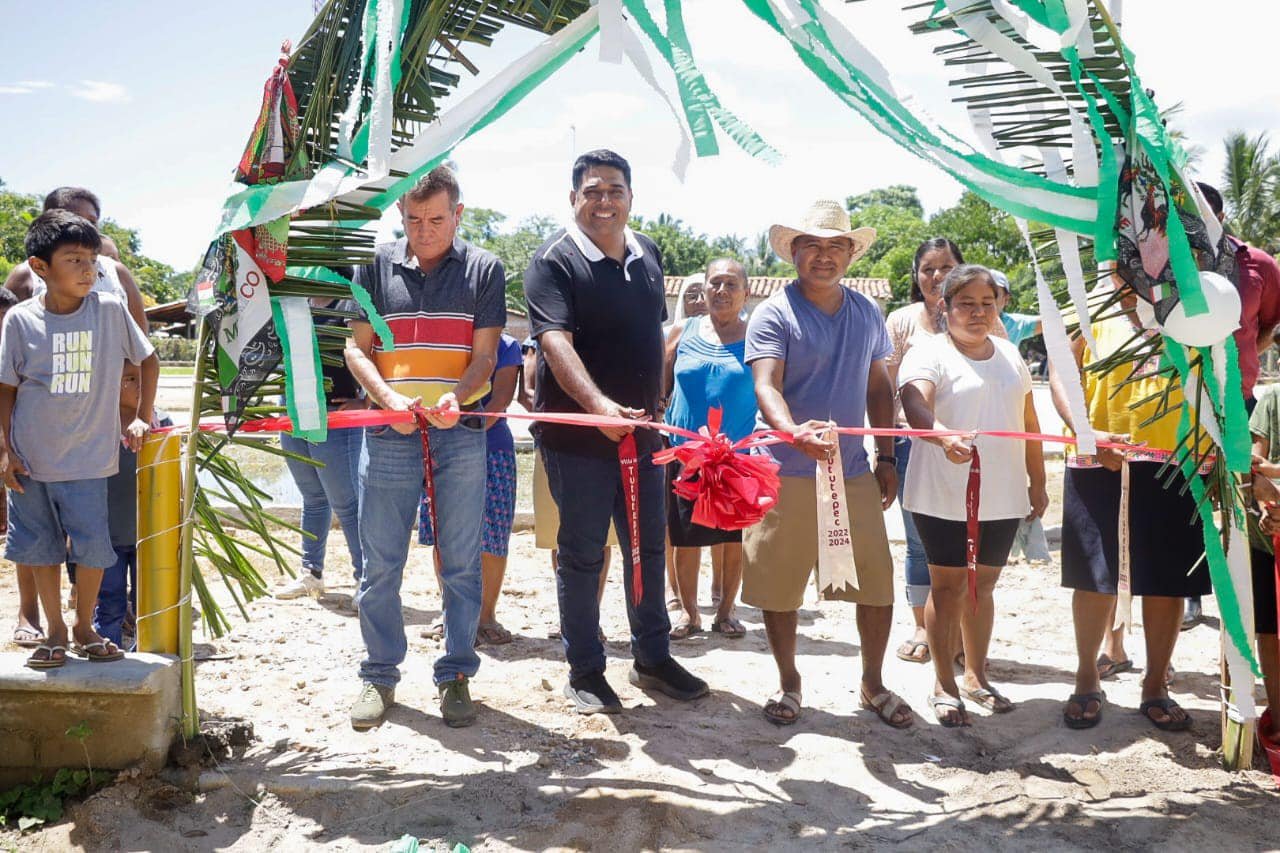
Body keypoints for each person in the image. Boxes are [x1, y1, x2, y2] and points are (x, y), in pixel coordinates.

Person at [524, 149, 708, 714]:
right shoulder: (552, 262)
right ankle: (585, 669)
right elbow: (555, 344)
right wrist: (601, 406)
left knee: (648, 548)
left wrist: (655, 403)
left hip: (643, 438)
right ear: (574, 198)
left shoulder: (647, 254)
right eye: (593, 191)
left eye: (616, 190)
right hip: (579, 440)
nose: (605, 201)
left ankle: (652, 658)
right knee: (581, 554)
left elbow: (653, 337)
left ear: (631, 196)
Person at [344, 165, 504, 730]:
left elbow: (485, 357)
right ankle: (379, 676)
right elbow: (356, 349)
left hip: (457, 435)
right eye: (413, 220)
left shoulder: (484, 268)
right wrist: (387, 398)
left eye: (436, 219)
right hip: (389, 435)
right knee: (379, 565)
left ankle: (456, 674)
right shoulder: (372, 263)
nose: (424, 231)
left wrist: (456, 398)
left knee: (461, 563)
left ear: (457, 214)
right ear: (399, 216)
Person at [743, 199, 912, 728]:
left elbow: (878, 383)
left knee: (877, 584)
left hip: (854, 471)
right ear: (794, 252)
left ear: (850, 253)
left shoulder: (868, 313)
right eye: (811, 246)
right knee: (779, 586)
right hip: (783, 468)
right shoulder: (774, 312)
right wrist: (792, 432)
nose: (823, 256)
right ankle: (790, 681)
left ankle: (873, 683)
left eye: (835, 246)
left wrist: (887, 456)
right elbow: (766, 384)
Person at [0, 210, 158, 669]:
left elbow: (147, 361)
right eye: (74, 259)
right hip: (31, 460)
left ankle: (84, 626)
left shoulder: (109, 311)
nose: (88, 269)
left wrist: (140, 418)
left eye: (91, 259)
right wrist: (6, 451)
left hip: (91, 459)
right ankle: (53, 630)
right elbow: (7, 388)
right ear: (40, 267)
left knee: (93, 547)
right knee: (40, 548)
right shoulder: (20, 321)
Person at [1050, 271, 1205, 731]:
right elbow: (1060, 367)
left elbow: (1222, 371)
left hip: (1178, 460)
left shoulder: (1194, 301)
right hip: (1099, 456)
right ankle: (1086, 678)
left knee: (1167, 580)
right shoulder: (1086, 300)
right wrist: (1084, 430)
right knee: (1094, 576)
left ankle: (1155, 684)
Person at [899, 265, 1048, 726]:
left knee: (982, 587)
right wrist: (944, 437)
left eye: (987, 303)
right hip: (940, 492)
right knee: (947, 589)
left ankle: (976, 676)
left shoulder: (1009, 354)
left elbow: (1029, 421)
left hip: (1001, 494)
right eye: (966, 303)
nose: (978, 312)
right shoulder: (927, 353)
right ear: (945, 306)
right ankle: (944, 684)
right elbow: (914, 403)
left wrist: (1037, 481)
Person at [1182, 183, 1280, 630]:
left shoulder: (1258, 265)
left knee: (1240, 505)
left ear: (1220, 216)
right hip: (1176, 402)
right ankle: (1190, 594)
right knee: (1183, 502)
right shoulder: (1160, 264)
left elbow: (1267, 326)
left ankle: (1244, 608)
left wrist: (1242, 362)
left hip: (1236, 403)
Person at [661, 257, 755, 639]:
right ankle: (688, 613)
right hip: (685, 451)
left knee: (731, 537)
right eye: (714, 283)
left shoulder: (758, 336)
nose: (721, 291)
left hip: (737, 455)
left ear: (746, 292)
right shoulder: (684, 329)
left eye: (731, 284)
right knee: (685, 536)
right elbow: (660, 378)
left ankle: (727, 611)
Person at [885, 237, 963, 665]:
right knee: (920, 544)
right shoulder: (900, 322)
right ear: (916, 276)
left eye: (946, 266)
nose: (937, 276)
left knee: (967, 541)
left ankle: (962, 631)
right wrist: (882, 451)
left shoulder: (980, 313)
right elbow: (884, 386)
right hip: (910, 446)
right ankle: (922, 626)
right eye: (928, 268)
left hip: (968, 448)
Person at [419, 332, 523, 645]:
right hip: (440, 445)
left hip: (493, 449)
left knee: (492, 534)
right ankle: (451, 612)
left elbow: (500, 400)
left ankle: (485, 615)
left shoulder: (506, 346)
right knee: (444, 532)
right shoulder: (443, 338)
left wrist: (466, 432)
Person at [274, 296, 366, 603]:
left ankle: (364, 580)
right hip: (293, 411)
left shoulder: (349, 304)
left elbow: (369, 353)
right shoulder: (293, 301)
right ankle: (310, 573)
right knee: (313, 498)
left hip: (335, 415)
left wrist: (366, 401)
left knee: (347, 503)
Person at [521, 334, 615, 632]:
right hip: (555, 443)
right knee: (559, 534)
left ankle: (591, 617)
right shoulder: (540, 338)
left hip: (603, 444)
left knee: (600, 536)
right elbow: (527, 391)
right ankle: (572, 617)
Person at [94, 362, 173, 650]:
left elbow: (178, 475)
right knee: (109, 597)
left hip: (149, 535)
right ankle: (106, 645)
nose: (138, 384)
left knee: (147, 598)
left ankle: (147, 650)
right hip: (107, 536)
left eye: (141, 378)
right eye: (128, 378)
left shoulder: (161, 424)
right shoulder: (98, 425)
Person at [4, 186, 148, 332]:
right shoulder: (26, 274)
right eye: (75, 218)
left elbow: (140, 337)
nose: (85, 227)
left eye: (92, 222)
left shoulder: (117, 272)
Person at [989, 269, 1052, 566]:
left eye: (994, 295)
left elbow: (1048, 323)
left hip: (1012, 399)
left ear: (1005, 298)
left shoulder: (1015, 323)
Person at [1244, 383, 1280, 749]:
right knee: (1269, 630)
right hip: (1268, 537)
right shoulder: (1271, 400)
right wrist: (1270, 506)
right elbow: (1255, 470)